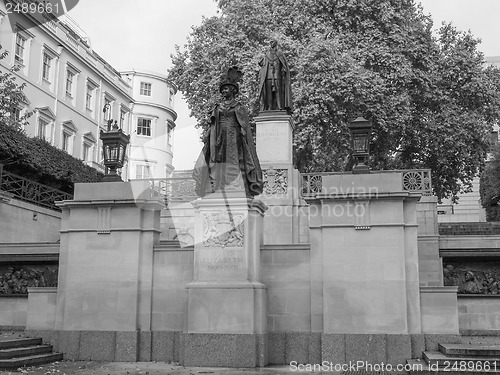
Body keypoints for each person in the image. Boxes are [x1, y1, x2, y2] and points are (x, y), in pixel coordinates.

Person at [193, 66, 263, 197]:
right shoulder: (217, 107)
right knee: (218, 160)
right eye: (223, 89)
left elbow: (243, 124)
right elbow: (213, 123)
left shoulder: (239, 107)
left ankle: (235, 185)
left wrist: (242, 133)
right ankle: (219, 186)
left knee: (234, 159)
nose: (224, 91)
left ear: (232, 90)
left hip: (234, 136)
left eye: (226, 89)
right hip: (220, 136)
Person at [258, 39, 292, 112]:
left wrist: (284, 69)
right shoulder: (267, 54)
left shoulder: (280, 53)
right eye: (270, 42)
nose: (271, 43)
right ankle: (269, 107)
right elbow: (261, 64)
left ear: (276, 43)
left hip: (277, 76)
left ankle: (280, 106)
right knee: (269, 93)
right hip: (268, 77)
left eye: (272, 42)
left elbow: (284, 65)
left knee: (278, 92)